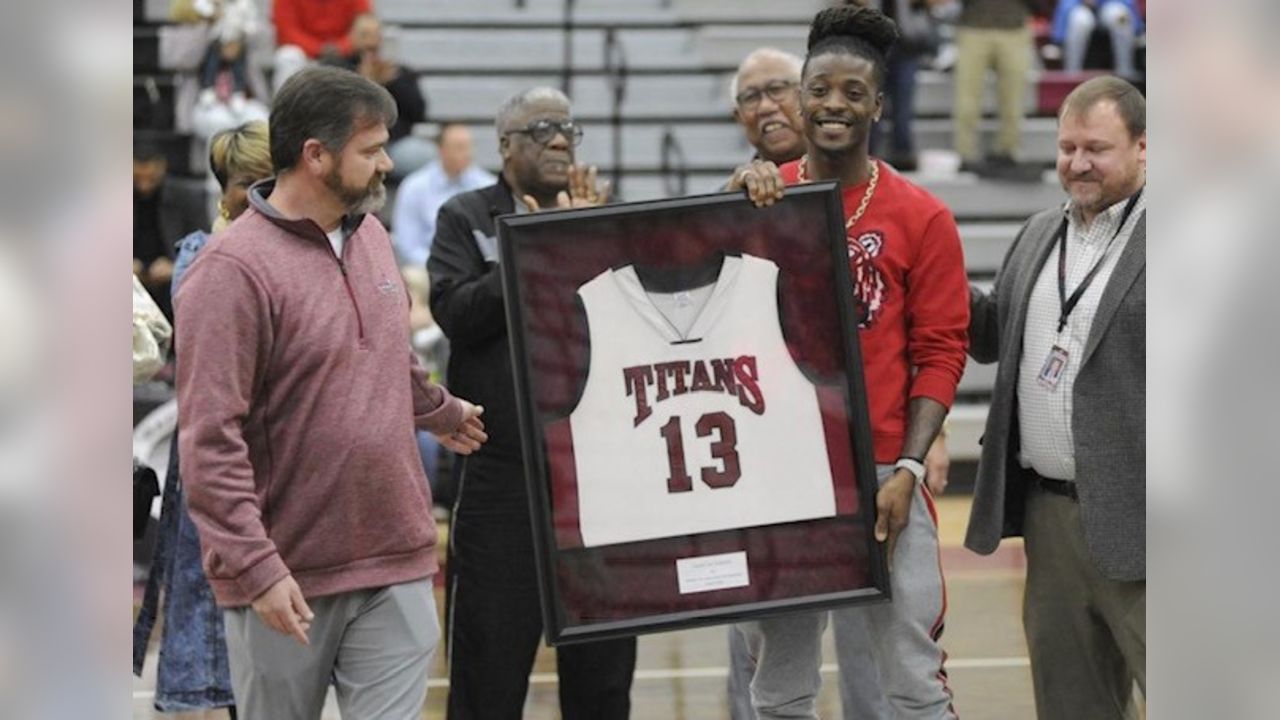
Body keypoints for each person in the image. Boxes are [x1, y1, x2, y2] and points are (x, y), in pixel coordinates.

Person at [175, 66, 488, 719]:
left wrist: (440, 410)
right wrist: (256, 565)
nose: (385, 165)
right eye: (370, 151)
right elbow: (209, 439)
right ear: (315, 156)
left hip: (396, 552)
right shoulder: (229, 273)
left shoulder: (373, 236)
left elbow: (389, 361)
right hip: (286, 573)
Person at [728, 6, 968, 719]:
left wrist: (911, 469)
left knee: (914, 684)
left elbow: (940, 351)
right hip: (780, 477)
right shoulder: (758, 200)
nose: (835, 104)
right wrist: (730, 204)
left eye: (854, 92)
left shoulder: (921, 216)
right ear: (799, 97)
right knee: (779, 689)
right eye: (821, 89)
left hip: (884, 476)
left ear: (879, 105)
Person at [427, 87, 636, 720]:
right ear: (504, 145)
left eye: (568, 129)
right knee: (488, 672)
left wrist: (589, 235)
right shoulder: (465, 216)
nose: (558, 140)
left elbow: (640, 323)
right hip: (503, 476)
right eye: (540, 128)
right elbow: (459, 314)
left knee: (601, 677)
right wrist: (540, 241)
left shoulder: (605, 217)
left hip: (597, 478)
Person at [966, 75, 1146, 720]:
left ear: (1146, 149)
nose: (1077, 163)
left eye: (1096, 148)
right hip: (1050, 520)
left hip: (1155, 524)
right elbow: (990, 338)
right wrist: (927, 271)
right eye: (1068, 147)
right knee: (1072, 706)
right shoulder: (1039, 233)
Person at [132, 120, 274, 717]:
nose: (258, 194)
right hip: (224, 465)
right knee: (225, 646)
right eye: (246, 182)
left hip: (290, 467)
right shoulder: (203, 259)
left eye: (271, 179)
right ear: (224, 189)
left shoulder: (322, 248)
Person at [327, 13, 433, 179]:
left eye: (375, 35)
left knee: (428, 157)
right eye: (364, 35)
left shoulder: (400, 73)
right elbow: (331, 112)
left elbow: (419, 113)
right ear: (351, 36)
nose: (370, 42)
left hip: (394, 145)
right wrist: (363, 82)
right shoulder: (335, 69)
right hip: (347, 145)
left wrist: (393, 82)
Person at [393, 123, 496, 268]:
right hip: (429, 267)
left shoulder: (488, 185)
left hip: (478, 268)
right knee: (413, 277)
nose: (468, 153)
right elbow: (408, 244)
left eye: (469, 146)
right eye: (460, 147)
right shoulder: (414, 186)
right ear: (441, 150)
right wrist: (442, 266)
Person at [951, 0, 1033, 176]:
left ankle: (1008, 150)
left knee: (1013, 100)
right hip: (973, 28)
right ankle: (966, 153)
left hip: (1015, 28)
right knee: (967, 100)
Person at [134, 141, 209, 320]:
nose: (144, 185)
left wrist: (177, 267)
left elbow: (205, 245)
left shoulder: (186, 198)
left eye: (150, 178)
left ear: (162, 167)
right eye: (137, 178)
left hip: (174, 287)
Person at [270, 0, 370, 93]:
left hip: (346, 56)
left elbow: (364, 27)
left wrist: (341, 47)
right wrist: (319, 49)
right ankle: (286, 108)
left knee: (368, 56)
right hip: (305, 57)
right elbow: (286, 32)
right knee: (288, 55)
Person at [1051, 0, 1144, 78]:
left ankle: (1125, 72)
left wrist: (1137, 30)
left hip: (1110, 4)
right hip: (1079, 7)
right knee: (1079, 21)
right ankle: (1071, 74)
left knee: (1120, 17)